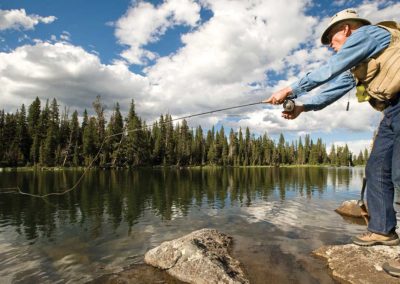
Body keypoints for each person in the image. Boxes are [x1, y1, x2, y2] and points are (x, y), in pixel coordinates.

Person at [263, 8, 400, 276]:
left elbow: (328, 70)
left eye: (332, 40)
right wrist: (302, 106)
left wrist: (290, 90)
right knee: (376, 170)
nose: (332, 47)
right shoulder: (357, 63)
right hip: (393, 110)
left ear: (346, 29)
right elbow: (333, 89)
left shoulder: (369, 34)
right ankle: (383, 230)